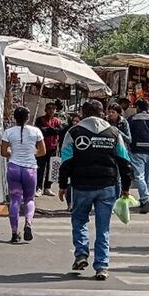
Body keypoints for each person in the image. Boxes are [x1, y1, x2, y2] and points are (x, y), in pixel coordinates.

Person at [58, 100, 133, 280]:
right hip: (107, 186)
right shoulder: (114, 133)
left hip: (80, 185)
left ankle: (81, 254)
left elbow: (66, 161)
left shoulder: (74, 132)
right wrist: (126, 187)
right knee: (103, 227)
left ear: (83, 114)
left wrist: (62, 185)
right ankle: (102, 266)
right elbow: (124, 161)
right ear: (103, 114)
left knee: (79, 220)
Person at [1, 106, 46, 244]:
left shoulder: (8, 132)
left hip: (14, 168)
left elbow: (3, 152)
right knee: (29, 199)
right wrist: (32, 154)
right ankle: (28, 224)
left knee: (14, 200)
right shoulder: (36, 131)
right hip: (30, 169)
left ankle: (14, 233)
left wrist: (12, 154)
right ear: (27, 117)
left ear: (14, 117)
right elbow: (42, 151)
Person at [34, 103, 63, 196]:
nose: (51, 111)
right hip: (41, 148)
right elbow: (40, 130)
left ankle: (48, 187)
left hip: (53, 148)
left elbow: (60, 131)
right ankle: (38, 188)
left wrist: (49, 130)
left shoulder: (58, 121)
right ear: (45, 109)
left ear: (56, 110)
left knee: (52, 169)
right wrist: (52, 130)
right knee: (40, 168)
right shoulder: (40, 119)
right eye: (49, 108)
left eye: (53, 109)